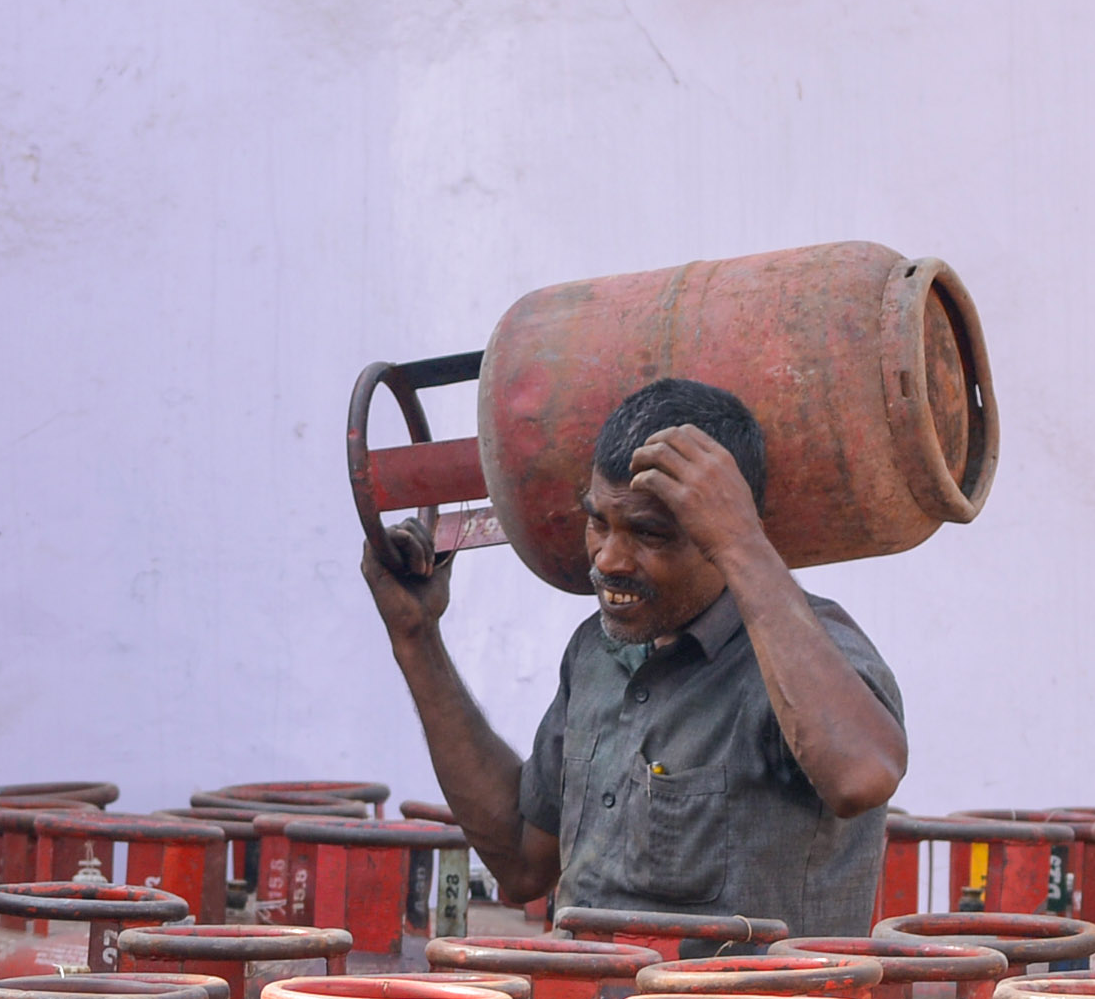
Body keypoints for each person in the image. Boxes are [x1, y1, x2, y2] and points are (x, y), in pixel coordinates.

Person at [362, 377, 909, 939]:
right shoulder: (598, 652)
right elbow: (523, 864)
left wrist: (745, 545)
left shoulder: (810, 648)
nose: (610, 559)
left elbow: (861, 778)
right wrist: (417, 637)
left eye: (650, 532)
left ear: (728, 531)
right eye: (599, 521)